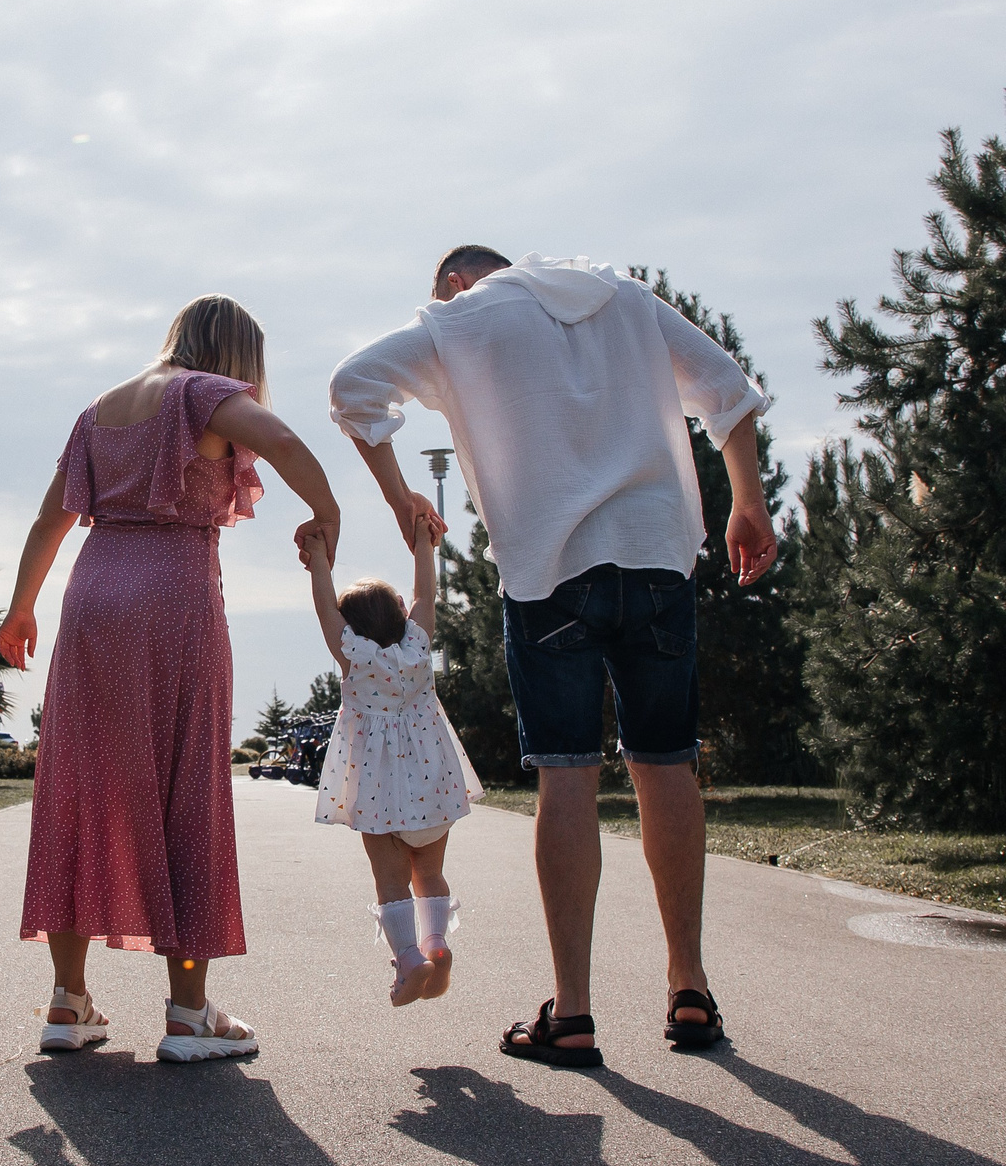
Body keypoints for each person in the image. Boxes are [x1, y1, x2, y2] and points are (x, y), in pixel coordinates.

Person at [327, 247, 778, 1068]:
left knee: (568, 774)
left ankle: (572, 1014)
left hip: (549, 573)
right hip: (656, 554)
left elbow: (352, 388)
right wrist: (747, 501)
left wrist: (401, 498)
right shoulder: (627, 299)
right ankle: (690, 987)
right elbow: (728, 388)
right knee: (665, 763)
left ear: (457, 282)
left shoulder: (460, 316)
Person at [0, 295, 342, 1063]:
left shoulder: (101, 409)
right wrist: (328, 511)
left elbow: (50, 519)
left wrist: (21, 608)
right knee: (187, 788)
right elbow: (283, 439)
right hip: (174, 599)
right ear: (235, 357)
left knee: (79, 790)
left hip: (90, 601)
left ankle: (67, 1002)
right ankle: (188, 1014)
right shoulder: (205, 394)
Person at [304, 517, 483, 1006]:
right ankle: (437, 944)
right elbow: (428, 594)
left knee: (390, 879)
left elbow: (326, 613)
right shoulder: (418, 648)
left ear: (352, 627)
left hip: (378, 793)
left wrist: (319, 561)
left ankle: (408, 957)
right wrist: (424, 544)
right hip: (433, 785)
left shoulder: (355, 658)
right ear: (402, 615)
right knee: (430, 872)